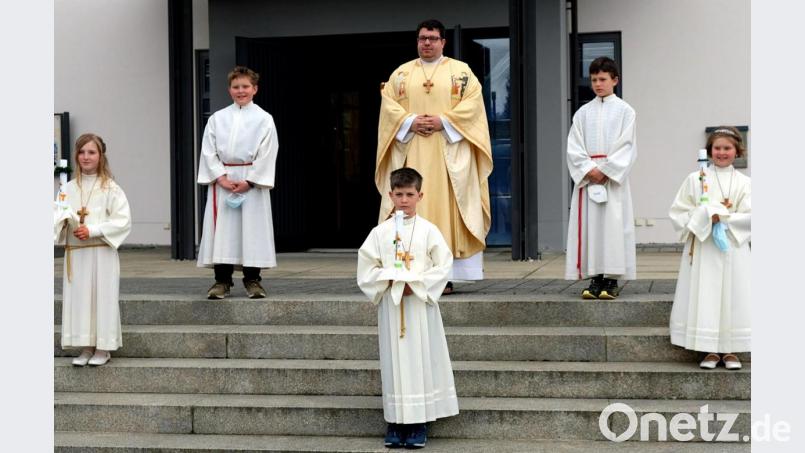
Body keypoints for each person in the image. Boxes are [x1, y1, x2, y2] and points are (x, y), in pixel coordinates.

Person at [376, 19, 492, 295]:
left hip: (448, 155)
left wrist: (444, 122)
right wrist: (409, 122)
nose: (426, 43)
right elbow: (389, 107)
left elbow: (473, 105)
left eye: (432, 38)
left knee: (446, 210)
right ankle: (408, 272)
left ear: (443, 42)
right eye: (422, 38)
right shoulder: (401, 75)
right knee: (409, 205)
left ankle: (446, 275)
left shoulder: (461, 72)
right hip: (412, 151)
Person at [357, 168, 458, 449]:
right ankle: (395, 422)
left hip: (419, 307)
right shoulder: (380, 232)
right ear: (390, 195)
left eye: (409, 194)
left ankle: (417, 423)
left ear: (420, 195)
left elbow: (443, 264)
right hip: (392, 305)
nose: (404, 200)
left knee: (419, 361)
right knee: (394, 363)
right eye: (398, 194)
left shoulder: (429, 230)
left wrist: (420, 285)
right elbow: (366, 268)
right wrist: (387, 281)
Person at [669, 126, 750, 370]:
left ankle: (731, 350)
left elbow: (751, 215)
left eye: (727, 148)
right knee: (706, 294)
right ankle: (710, 350)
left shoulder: (746, 183)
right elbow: (679, 212)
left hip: (732, 247)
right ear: (709, 151)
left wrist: (721, 217)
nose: (722, 152)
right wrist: (704, 217)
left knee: (733, 296)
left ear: (737, 151)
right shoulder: (695, 179)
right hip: (704, 246)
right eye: (717, 148)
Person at [197, 66, 279, 299]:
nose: (240, 91)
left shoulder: (264, 119)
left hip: (251, 183)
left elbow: (268, 152)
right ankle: (222, 281)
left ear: (255, 89)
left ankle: (253, 280)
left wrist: (251, 181)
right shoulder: (217, 118)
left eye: (245, 86)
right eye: (236, 87)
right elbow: (208, 151)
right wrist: (220, 177)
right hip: (224, 181)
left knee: (251, 231)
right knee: (223, 232)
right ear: (229, 89)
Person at [54, 133, 131, 366]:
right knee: (81, 299)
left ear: (100, 156)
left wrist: (93, 230)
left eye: (91, 152)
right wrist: (64, 223)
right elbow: (56, 216)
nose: (86, 157)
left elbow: (123, 221)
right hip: (77, 253)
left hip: (101, 251)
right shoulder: (67, 188)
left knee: (102, 298)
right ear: (76, 155)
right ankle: (86, 347)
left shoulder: (110, 188)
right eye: (82, 152)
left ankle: (103, 348)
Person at [564, 56, 637, 299]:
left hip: (611, 180)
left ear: (615, 80)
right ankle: (595, 278)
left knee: (613, 227)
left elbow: (627, 146)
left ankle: (611, 279)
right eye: (594, 79)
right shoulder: (583, 112)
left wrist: (605, 171)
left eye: (603, 79)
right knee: (591, 228)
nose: (598, 84)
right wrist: (588, 170)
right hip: (589, 178)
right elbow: (573, 146)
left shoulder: (626, 111)